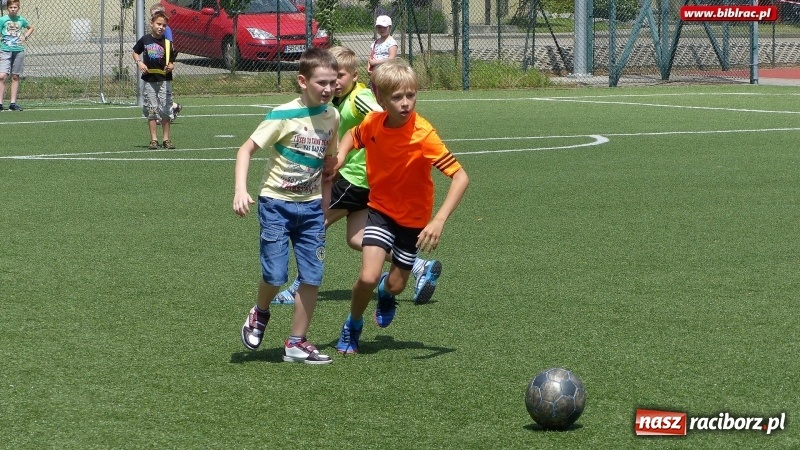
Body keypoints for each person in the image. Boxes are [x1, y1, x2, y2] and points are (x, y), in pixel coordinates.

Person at [272, 45, 443, 306]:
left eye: (339, 75)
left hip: (356, 179)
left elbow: (382, 118)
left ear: (354, 75)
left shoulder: (361, 98)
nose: (334, 82)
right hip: (361, 181)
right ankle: (418, 266)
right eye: (330, 76)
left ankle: (298, 287)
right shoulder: (338, 100)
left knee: (314, 226)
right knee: (356, 238)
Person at [334, 59, 469, 355]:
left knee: (395, 286)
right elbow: (351, 136)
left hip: (413, 221)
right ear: (379, 97)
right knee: (367, 276)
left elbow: (460, 177)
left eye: (411, 95)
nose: (406, 103)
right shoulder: (372, 123)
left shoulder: (424, 135)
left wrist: (439, 220)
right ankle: (353, 324)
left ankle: (386, 292)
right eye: (397, 97)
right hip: (380, 211)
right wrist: (341, 156)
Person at [234, 47, 339, 365]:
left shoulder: (332, 116)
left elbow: (329, 166)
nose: (329, 89)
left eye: (333, 83)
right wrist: (241, 189)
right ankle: (260, 312)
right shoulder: (282, 115)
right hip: (276, 204)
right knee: (276, 274)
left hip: (310, 210)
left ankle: (296, 342)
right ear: (302, 81)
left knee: (312, 276)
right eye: (322, 82)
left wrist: (325, 206)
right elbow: (245, 150)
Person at [132, 10, 177, 150]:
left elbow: (172, 62)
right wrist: (139, 62)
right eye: (158, 24)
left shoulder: (168, 43)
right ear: (152, 24)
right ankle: (153, 139)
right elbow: (134, 52)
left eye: (163, 25)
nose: (160, 27)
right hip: (149, 80)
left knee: (165, 109)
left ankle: (166, 139)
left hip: (164, 80)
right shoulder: (145, 40)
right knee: (152, 110)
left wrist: (171, 66)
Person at [149, 3, 181, 123]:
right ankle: (173, 107)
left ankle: (168, 114)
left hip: (164, 65)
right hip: (155, 65)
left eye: (154, 15)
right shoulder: (154, 30)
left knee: (163, 91)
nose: (152, 17)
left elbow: (169, 46)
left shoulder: (166, 30)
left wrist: (168, 62)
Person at [0, 0, 34, 112]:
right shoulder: (3, 19)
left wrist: (25, 37)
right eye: (11, 7)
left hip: (18, 50)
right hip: (5, 49)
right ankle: (0, 103)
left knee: (15, 76)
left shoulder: (21, 20)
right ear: (7, 8)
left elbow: (31, 28)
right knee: (2, 76)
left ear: (18, 8)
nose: (13, 9)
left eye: (15, 7)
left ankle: (13, 103)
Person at [367, 15, 397, 96]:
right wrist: (369, 67)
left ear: (390, 27)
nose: (382, 29)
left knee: (386, 95)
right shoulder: (376, 42)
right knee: (377, 94)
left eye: (384, 27)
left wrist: (375, 62)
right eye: (379, 27)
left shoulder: (391, 42)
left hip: (386, 72)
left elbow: (391, 58)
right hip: (375, 73)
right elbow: (371, 56)